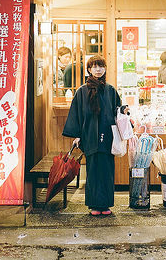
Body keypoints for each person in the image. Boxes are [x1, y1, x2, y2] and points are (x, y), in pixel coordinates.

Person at [62, 55, 122, 216]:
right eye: (94, 67)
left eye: (101, 66)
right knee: (93, 170)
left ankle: (106, 204)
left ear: (105, 69)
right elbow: (77, 114)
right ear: (89, 70)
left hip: (108, 136)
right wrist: (76, 135)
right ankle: (95, 205)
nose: (98, 70)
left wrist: (125, 113)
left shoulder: (110, 90)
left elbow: (118, 111)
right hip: (89, 135)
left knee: (107, 170)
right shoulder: (82, 91)